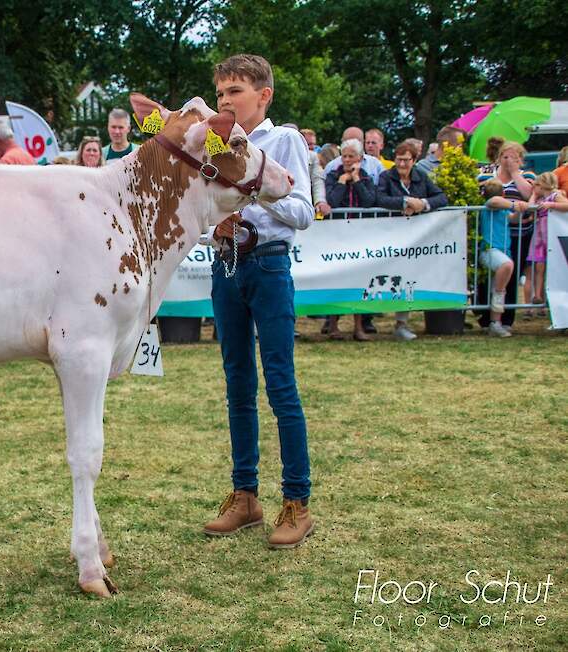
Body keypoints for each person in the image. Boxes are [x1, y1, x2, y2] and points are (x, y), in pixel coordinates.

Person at [202, 53, 314, 549]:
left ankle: (297, 502)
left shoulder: (283, 140)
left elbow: (304, 212)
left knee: (280, 384)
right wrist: (215, 222)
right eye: (221, 93)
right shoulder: (213, 143)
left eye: (235, 92)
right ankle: (245, 496)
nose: (225, 101)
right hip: (225, 264)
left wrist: (256, 189)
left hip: (268, 265)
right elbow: (203, 204)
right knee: (237, 385)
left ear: (263, 95)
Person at [374, 140, 448, 341]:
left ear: (414, 161)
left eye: (406, 160)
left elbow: (441, 198)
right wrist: (404, 202)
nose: (402, 165)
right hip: (390, 236)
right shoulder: (386, 177)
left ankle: (402, 322)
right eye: (399, 160)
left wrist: (422, 204)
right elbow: (379, 199)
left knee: (407, 277)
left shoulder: (420, 177)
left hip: (415, 239)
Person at [476, 140, 535, 325]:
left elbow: (528, 196)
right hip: (489, 234)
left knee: (511, 276)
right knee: (488, 278)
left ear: (521, 159)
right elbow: (487, 199)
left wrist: (515, 173)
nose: (509, 160)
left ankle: (505, 319)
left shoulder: (528, 175)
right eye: (505, 156)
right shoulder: (486, 176)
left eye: (514, 157)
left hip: (519, 234)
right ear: (499, 157)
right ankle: (488, 316)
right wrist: (514, 205)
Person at [323, 138, 376, 341]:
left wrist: (356, 180)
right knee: (337, 279)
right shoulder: (332, 176)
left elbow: (369, 201)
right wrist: (342, 182)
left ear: (359, 158)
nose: (346, 159)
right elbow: (332, 201)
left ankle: (358, 327)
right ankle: (333, 325)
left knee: (359, 281)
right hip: (337, 236)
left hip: (360, 236)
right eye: (344, 156)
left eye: (351, 156)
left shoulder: (366, 177)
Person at [478, 179, 517, 337]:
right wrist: (514, 204)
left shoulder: (503, 210)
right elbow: (494, 201)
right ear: (503, 194)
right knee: (507, 267)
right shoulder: (488, 206)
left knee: (499, 287)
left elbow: (513, 218)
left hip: (503, 250)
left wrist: (520, 209)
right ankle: (495, 321)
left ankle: (495, 323)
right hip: (489, 250)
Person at [526, 172, 568, 311]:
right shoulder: (539, 200)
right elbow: (530, 208)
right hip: (539, 237)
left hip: (552, 235)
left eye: (536, 185)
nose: (534, 188)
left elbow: (566, 205)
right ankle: (538, 296)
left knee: (554, 268)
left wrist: (552, 205)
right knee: (539, 266)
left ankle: (550, 299)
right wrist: (533, 196)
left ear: (542, 185)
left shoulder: (556, 195)